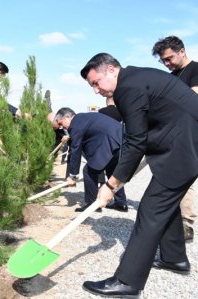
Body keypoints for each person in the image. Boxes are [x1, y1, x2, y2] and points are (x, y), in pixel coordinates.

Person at [79, 53, 198, 297]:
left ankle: (127, 282)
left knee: (150, 210)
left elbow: (135, 141)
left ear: (112, 70)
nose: (96, 90)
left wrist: (111, 185)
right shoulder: (137, 78)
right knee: (166, 204)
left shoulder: (128, 87)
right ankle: (175, 259)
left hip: (183, 149)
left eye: (96, 82)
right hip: (184, 145)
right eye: (92, 85)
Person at [152, 35, 197, 242]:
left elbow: (191, 99)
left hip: (192, 132)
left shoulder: (196, 70)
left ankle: (187, 224)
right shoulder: (172, 76)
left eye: (169, 58)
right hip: (176, 133)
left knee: (186, 177)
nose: (166, 63)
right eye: (163, 61)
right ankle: (175, 220)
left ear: (182, 51)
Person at [53, 108, 127, 213]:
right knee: (112, 171)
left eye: (60, 123)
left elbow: (76, 149)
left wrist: (73, 175)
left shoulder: (75, 123)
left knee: (88, 171)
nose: (61, 127)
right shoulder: (83, 119)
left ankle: (92, 204)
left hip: (112, 141)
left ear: (68, 117)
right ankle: (121, 203)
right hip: (123, 139)